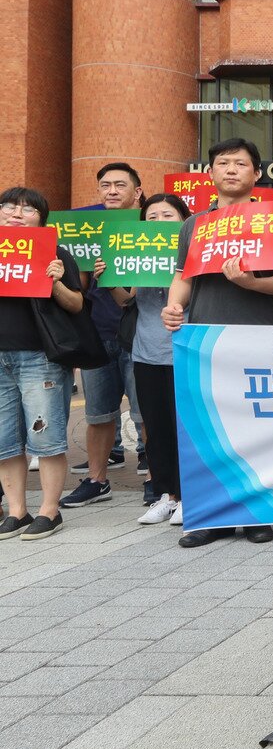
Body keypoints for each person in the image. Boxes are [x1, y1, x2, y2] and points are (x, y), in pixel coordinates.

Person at [162, 138, 273, 547]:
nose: (231, 169)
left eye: (241, 163)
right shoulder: (194, 225)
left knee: (254, 425)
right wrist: (173, 307)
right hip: (205, 339)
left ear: (257, 174)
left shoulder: (271, 219)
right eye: (223, 163)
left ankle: (256, 514)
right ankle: (210, 516)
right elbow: (183, 277)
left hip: (256, 335)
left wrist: (250, 283)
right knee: (205, 428)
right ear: (210, 173)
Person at [96, 194, 191, 526]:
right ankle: (166, 494)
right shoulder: (137, 253)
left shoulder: (193, 251)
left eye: (168, 215)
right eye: (152, 217)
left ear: (184, 220)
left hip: (186, 349)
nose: (159, 222)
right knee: (156, 425)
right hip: (147, 351)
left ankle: (189, 495)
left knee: (186, 426)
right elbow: (127, 300)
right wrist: (108, 281)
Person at [0, 188, 86, 540]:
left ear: (42, 219)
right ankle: (17, 511)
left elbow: (77, 304)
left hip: (40, 358)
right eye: (9, 207)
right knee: (4, 440)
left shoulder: (56, 253)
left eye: (28, 209)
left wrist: (53, 283)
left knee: (46, 437)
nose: (17, 214)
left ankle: (50, 510)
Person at [61, 162, 147, 511]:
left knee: (145, 415)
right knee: (97, 415)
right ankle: (97, 480)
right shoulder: (88, 230)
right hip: (98, 334)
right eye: (105, 186)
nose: (111, 191)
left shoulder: (152, 227)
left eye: (120, 185)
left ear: (137, 192)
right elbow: (79, 289)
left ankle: (157, 480)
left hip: (141, 333)